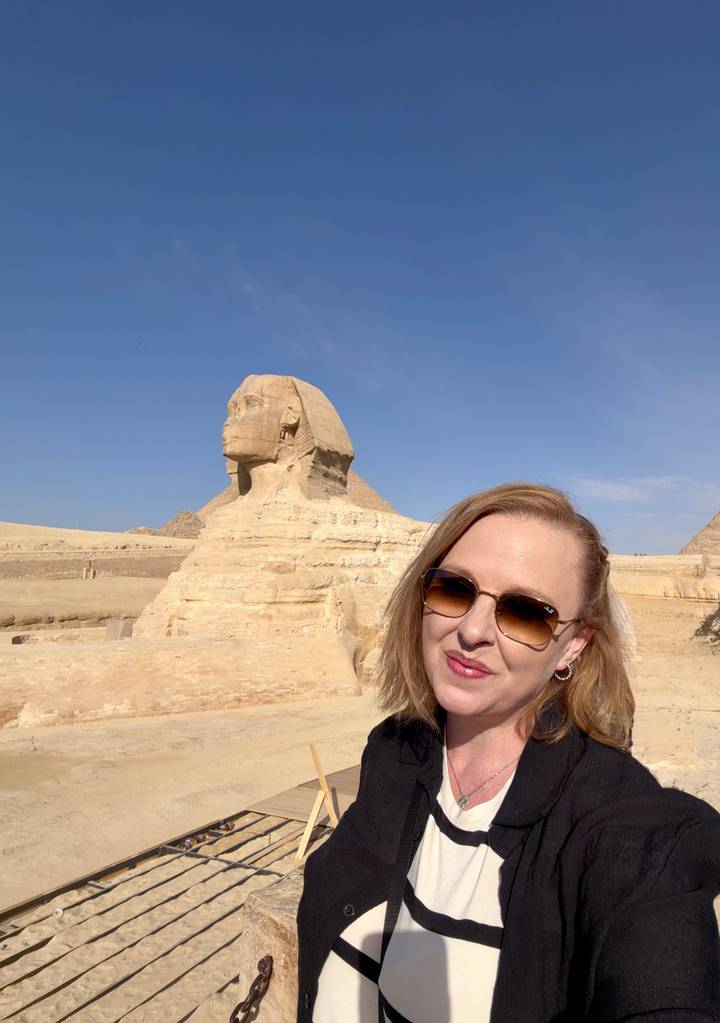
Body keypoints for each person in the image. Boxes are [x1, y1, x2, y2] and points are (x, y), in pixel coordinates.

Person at [297, 483, 720, 1022]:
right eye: (453, 589)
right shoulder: (394, 750)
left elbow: (660, 967)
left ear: (574, 644)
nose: (471, 630)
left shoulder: (624, 830)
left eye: (526, 613)